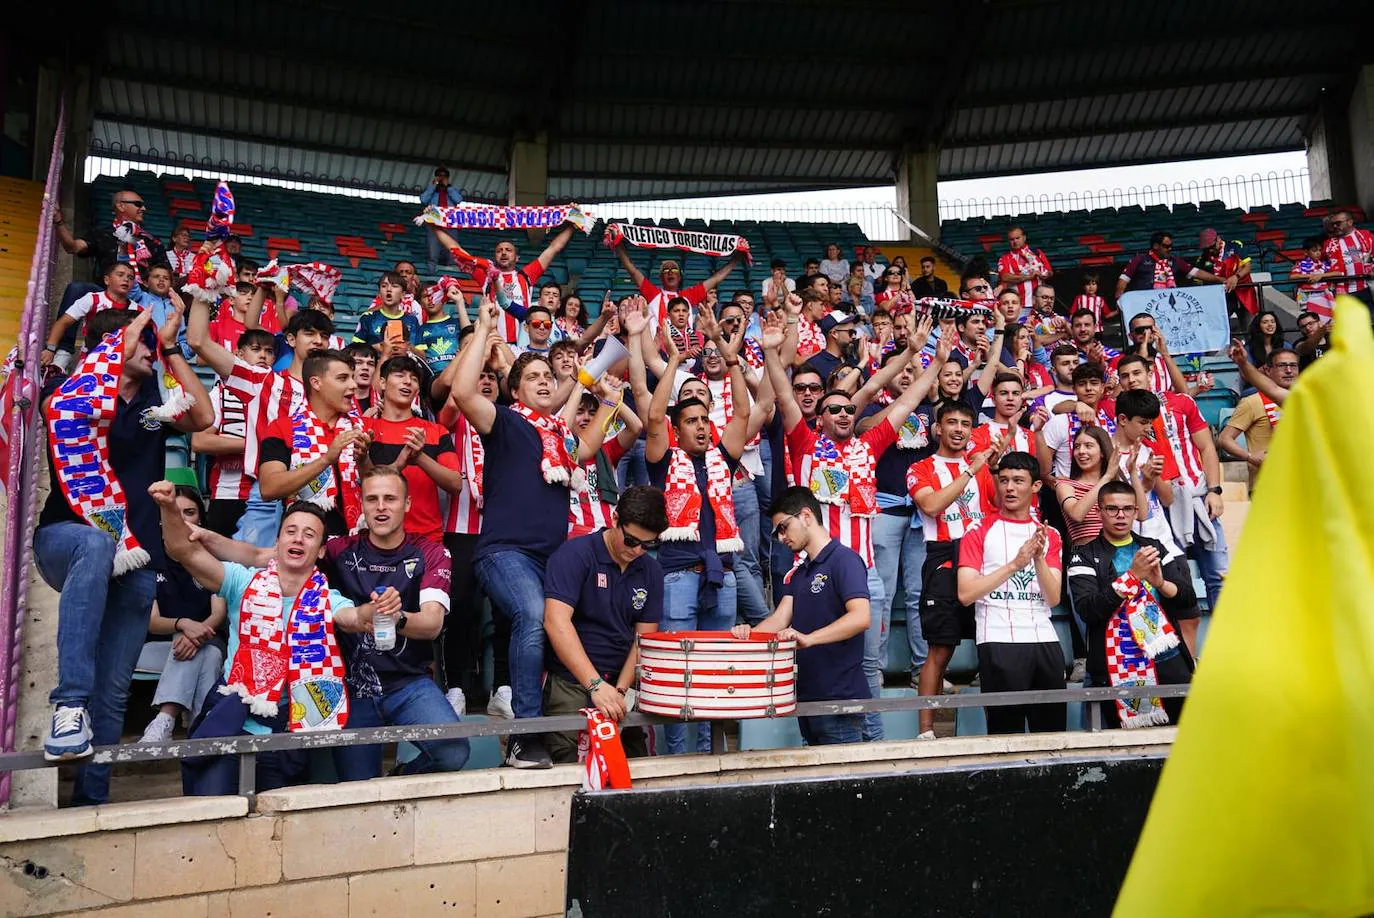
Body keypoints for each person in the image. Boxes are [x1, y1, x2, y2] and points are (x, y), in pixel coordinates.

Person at [33, 307, 213, 802]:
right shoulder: (73, 397)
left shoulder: (155, 400)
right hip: (65, 541)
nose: (146, 351)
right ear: (108, 347)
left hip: (137, 559)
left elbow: (204, 417)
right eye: (140, 342)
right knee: (95, 543)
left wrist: (173, 349)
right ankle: (68, 704)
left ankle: (90, 801)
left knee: (113, 695)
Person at [455, 297, 623, 767]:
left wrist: (608, 402)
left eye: (549, 376)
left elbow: (588, 446)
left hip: (554, 558)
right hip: (505, 553)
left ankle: (565, 727)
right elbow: (466, 394)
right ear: (514, 389)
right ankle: (524, 736)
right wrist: (484, 327)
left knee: (565, 630)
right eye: (533, 377)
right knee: (532, 615)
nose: (545, 381)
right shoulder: (503, 422)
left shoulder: (559, 436)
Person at [768, 310, 945, 741]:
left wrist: (932, 363)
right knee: (816, 658)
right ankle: (830, 738)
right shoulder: (805, 444)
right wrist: (773, 353)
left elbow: (904, 403)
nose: (844, 414)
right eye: (835, 409)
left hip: (863, 573)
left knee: (870, 666)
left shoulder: (870, 446)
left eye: (850, 409)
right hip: (813, 575)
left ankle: (874, 744)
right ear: (821, 418)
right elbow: (786, 398)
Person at [155, 491, 387, 795]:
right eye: (291, 532)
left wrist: (378, 609)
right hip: (232, 719)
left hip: (285, 731)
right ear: (277, 544)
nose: (298, 539)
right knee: (211, 811)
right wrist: (168, 507)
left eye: (309, 535)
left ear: (319, 551)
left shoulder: (327, 598)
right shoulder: (243, 581)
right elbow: (183, 551)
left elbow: (355, 617)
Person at [643, 310, 762, 754]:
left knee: (717, 672)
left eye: (703, 420)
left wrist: (730, 359)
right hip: (677, 576)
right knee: (680, 673)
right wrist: (673, 360)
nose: (698, 427)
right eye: (689, 421)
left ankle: (712, 756)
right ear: (678, 429)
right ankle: (677, 758)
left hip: (723, 576)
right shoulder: (663, 459)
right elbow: (654, 416)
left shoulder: (721, 458)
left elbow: (745, 414)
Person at [316, 467, 468, 778]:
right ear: (361, 505)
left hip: (407, 682)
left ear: (407, 504)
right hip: (352, 688)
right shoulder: (339, 549)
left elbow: (432, 624)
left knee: (452, 751)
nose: (381, 507)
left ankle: (400, 778)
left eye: (390, 499)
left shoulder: (430, 552)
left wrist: (396, 618)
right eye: (372, 499)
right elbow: (276, 557)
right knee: (358, 786)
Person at [188, 289, 335, 547]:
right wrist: (203, 287)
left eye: (324, 336)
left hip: (321, 497)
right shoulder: (262, 381)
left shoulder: (337, 391)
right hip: (266, 497)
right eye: (309, 333)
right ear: (290, 339)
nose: (318, 341)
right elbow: (199, 341)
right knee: (252, 576)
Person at [732, 487, 872, 746]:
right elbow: (778, 619)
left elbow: (861, 617)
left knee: (844, 781)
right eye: (777, 533)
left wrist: (809, 638)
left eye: (783, 527)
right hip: (809, 699)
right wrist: (748, 635)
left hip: (840, 700)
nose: (781, 537)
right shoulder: (800, 572)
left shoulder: (844, 560)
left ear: (806, 515)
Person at [543, 486, 667, 763]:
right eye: (632, 540)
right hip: (572, 680)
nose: (637, 551)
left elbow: (643, 640)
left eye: (648, 545)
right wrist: (595, 685)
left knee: (637, 764)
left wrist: (621, 691)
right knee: (567, 764)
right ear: (614, 519)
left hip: (620, 681)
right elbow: (555, 623)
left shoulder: (651, 571)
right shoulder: (575, 554)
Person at [1068, 481, 1197, 728]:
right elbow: (1088, 609)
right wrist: (1132, 577)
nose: (1121, 515)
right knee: (1126, 750)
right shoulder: (1083, 554)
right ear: (1099, 511)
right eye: (1112, 509)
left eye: (1127, 509)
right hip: (1117, 665)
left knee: (1179, 743)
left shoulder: (1155, 547)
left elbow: (1188, 599)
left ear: (1137, 511)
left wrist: (1160, 583)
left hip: (1167, 660)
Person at [905, 401, 998, 738]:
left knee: (993, 646)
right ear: (938, 428)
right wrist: (971, 470)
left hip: (983, 558)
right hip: (943, 558)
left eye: (965, 424)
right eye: (951, 423)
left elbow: (1001, 506)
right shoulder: (920, 467)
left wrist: (995, 465)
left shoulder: (985, 468)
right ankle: (926, 731)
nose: (959, 429)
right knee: (940, 649)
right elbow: (931, 505)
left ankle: (998, 727)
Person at [957, 451, 1065, 734]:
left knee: (1052, 735)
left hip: (1044, 638)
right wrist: (1015, 564)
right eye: (1004, 480)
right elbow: (966, 593)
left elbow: (1053, 598)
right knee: (1006, 735)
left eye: (1018, 481)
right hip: (997, 638)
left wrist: (1038, 559)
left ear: (1036, 487)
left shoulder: (1049, 534)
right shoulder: (978, 529)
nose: (1009, 488)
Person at [1116, 353, 1227, 620]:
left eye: (1137, 373)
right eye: (1125, 376)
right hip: (1157, 508)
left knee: (1219, 575)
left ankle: (1228, 642)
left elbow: (1207, 447)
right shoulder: (1120, 414)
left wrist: (1214, 490)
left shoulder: (1181, 401)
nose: (1132, 380)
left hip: (1198, 497)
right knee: (1174, 580)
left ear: (1150, 373)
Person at [135, 485, 228, 745]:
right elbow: (153, 621)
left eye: (190, 512)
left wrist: (195, 635)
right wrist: (184, 625)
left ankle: (165, 720)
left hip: (207, 640)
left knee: (205, 650)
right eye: (176, 512)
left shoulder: (210, 557)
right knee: (198, 650)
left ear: (200, 518)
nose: (183, 519)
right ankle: (202, 731)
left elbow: (218, 613)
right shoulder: (148, 558)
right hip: (160, 647)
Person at [257, 350, 369, 537]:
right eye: (343, 378)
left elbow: (380, 486)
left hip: (359, 541)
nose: (353, 384)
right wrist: (325, 460)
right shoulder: (282, 428)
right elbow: (269, 488)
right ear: (316, 383)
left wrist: (364, 461)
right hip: (305, 542)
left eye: (352, 377)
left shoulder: (363, 428)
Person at [365, 357, 463, 543]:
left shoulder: (435, 431)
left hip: (426, 539)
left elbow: (455, 484)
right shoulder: (364, 428)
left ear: (417, 390)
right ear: (383, 383)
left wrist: (419, 457)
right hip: (374, 540)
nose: (408, 382)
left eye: (414, 379)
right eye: (400, 375)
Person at [432, 221, 578, 344]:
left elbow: (553, 249)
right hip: (495, 342)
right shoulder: (485, 276)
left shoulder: (527, 275)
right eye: (499, 250)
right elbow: (456, 250)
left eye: (508, 250)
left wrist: (572, 225)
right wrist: (434, 226)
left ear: (517, 257)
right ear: (494, 257)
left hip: (524, 343)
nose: (503, 253)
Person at [193, 329, 278, 537]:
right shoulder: (220, 392)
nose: (263, 356)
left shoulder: (280, 392)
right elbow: (199, 441)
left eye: (269, 351)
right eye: (256, 349)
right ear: (239, 354)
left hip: (270, 493)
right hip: (228, 492)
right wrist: (254, 445)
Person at [1219, 346, 1298, 491]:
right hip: (1267, 486)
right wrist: (1249, 456)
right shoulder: (1252, 402)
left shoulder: (1305, 400)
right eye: (1282, 365)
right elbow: (1225, 439)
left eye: (1293, 365)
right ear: (1268, 371)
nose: (1288, 370)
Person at [53, 186, 169, 283]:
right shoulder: (103, 234)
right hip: (107, 294)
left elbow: (166, 272)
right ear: (120, 206)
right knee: (76, 289)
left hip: (144, 297)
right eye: (138, 204)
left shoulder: (151, 240)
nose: (143, 208)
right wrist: (58, 221)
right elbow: (72, 247)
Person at [613, 243, 741, 327]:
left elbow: (716, 278)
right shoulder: (653, 293)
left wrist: (736, 258)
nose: (670, 272)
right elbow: (633, 271)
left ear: (679, 277)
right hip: (658, 351)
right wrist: (618, 245)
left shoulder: (688, 296)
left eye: (674, 270)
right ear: (660, 277)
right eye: (666, 270)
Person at [42, 262, 137, 368]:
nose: (126, 279)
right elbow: (62, 323)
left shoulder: (137, 309)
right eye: (120, 275)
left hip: (122, 363)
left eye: (130, 277)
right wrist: (50, 350)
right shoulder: (92, 299)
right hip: (89, 359)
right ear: (107, 280)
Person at [1036, 362, 1113, 480]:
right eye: (1082, 384)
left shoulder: (1110, 419)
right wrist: (1062, 489)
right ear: (1074, 389)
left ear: (1102, 387)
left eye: (1094, 383)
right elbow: (1043, 471)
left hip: (1107, 493)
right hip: (1069, 494)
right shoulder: (1059, 422)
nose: (1088, 388)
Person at [1054, 425, 1128, 546]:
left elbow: (1141, 515)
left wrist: (1134, 473)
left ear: (1102, 452)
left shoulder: (1115, 485)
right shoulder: (1065, 485)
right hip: (1087, 559)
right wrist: (1107, 477)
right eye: (1077, 447)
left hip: (1121, 556)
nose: (1081, 451)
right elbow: (1077, 514)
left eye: (1088, 446)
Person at [1116, 231, 1232, 296]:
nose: (1170, 249)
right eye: (1166, 246)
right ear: (1155, 246)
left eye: (1171, 246)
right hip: (1145, 301)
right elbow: (1124, 279)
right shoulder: (1140, 260)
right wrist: (1120, 293)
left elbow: (1196, 272)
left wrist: (1219, 279)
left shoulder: (1175, 260)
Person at [355, 272, 422, 351]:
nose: (389, 290)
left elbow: (422, 356)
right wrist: (378, 347)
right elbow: (355, 349)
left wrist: (408, 347)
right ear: (379, 293)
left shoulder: (412, 320)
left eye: (394, 286)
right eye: (384, 286)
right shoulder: (368, 318)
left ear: (403, 294)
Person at [414, 282, 466, 382]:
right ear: (420, 303)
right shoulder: (420, 330)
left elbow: (469, 339)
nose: (430, 300)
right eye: (425, 297)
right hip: (434, 379)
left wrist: (459, 302)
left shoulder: (457, 323)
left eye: (434, 295)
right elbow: (422, 359)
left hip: (459, 376)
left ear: (444, 298)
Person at [1322, 209, 1374, 308]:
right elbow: (1321, 262)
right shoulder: (1329, 244)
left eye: (1338, 223)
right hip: (1341, 291)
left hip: (1365, 287)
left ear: (1350, 222)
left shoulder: (1364, 236)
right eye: (1333, 224)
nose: (1335, 227)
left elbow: (1357, 259)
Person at [997, 227, 1053, 309]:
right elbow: (1005, 277)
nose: (1015, 241)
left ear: (1024, 238)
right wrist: (1029, 277)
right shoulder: (1005, 258)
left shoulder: (1037, 253)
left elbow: (1050, 272)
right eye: (1012, 239)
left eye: (1017, 238)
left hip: (1039, 304)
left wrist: (1045, 275)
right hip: (1019, 305)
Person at [420, 166, 461, 272]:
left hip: (450, 222)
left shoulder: (452, 190)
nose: (442, 178)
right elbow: (423, 200)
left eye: (444, 176)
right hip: (434, 222)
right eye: (440, 176)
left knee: (452, 248)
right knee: (432, 248)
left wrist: (448, 187)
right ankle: (432, 272)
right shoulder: (432, 190)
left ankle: (451, 272)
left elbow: (458, 199)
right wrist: (433, 186)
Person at [1291, 235, 1336, 318]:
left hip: (1323, 293)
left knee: (1327, 318)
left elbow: (1337, 273)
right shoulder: (1300, 265)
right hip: (1306, 294)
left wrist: (1321, 275)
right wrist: (1311, 276)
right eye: (1314, 250)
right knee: (1308, 317)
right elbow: (1293, 277)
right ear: (1306, 252)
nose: (1318, 253)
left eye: (1319, 250)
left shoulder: (1325, 264)